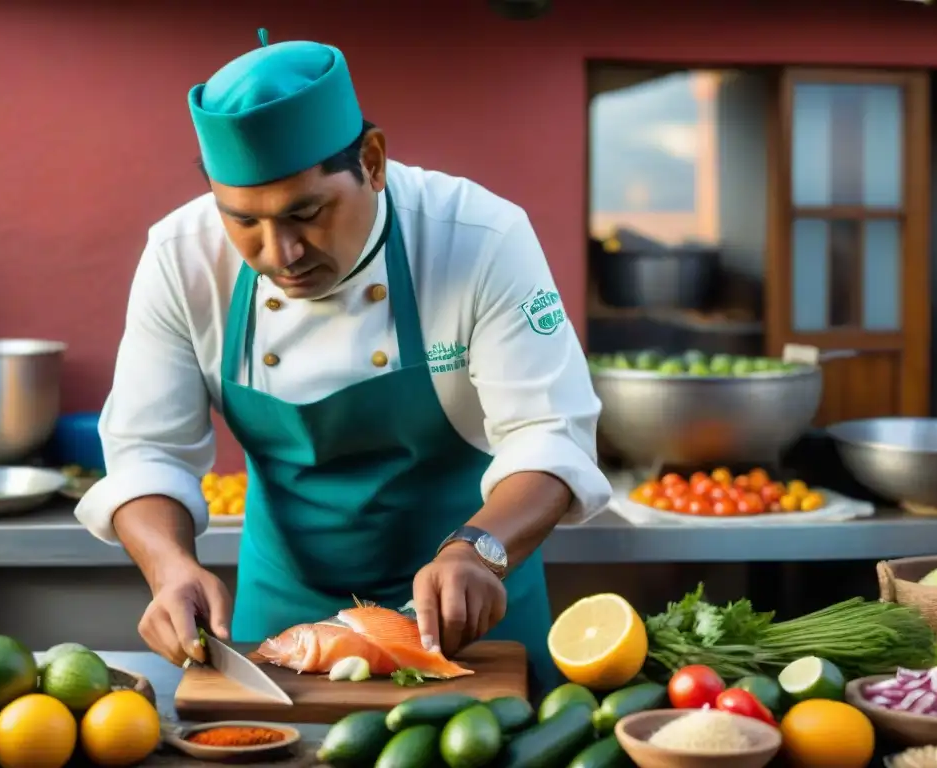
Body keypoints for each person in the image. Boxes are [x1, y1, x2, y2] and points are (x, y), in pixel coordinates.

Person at [76, 28, 611, 696]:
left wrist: (482, 551)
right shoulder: (180, 257)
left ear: (374, 161)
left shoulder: (478, 237)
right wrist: (169, 569)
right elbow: (148, 451)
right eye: (245, 221)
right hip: (283, 606)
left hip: (471, 602)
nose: (281, 254)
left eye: (307, 213)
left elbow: (549, 432)